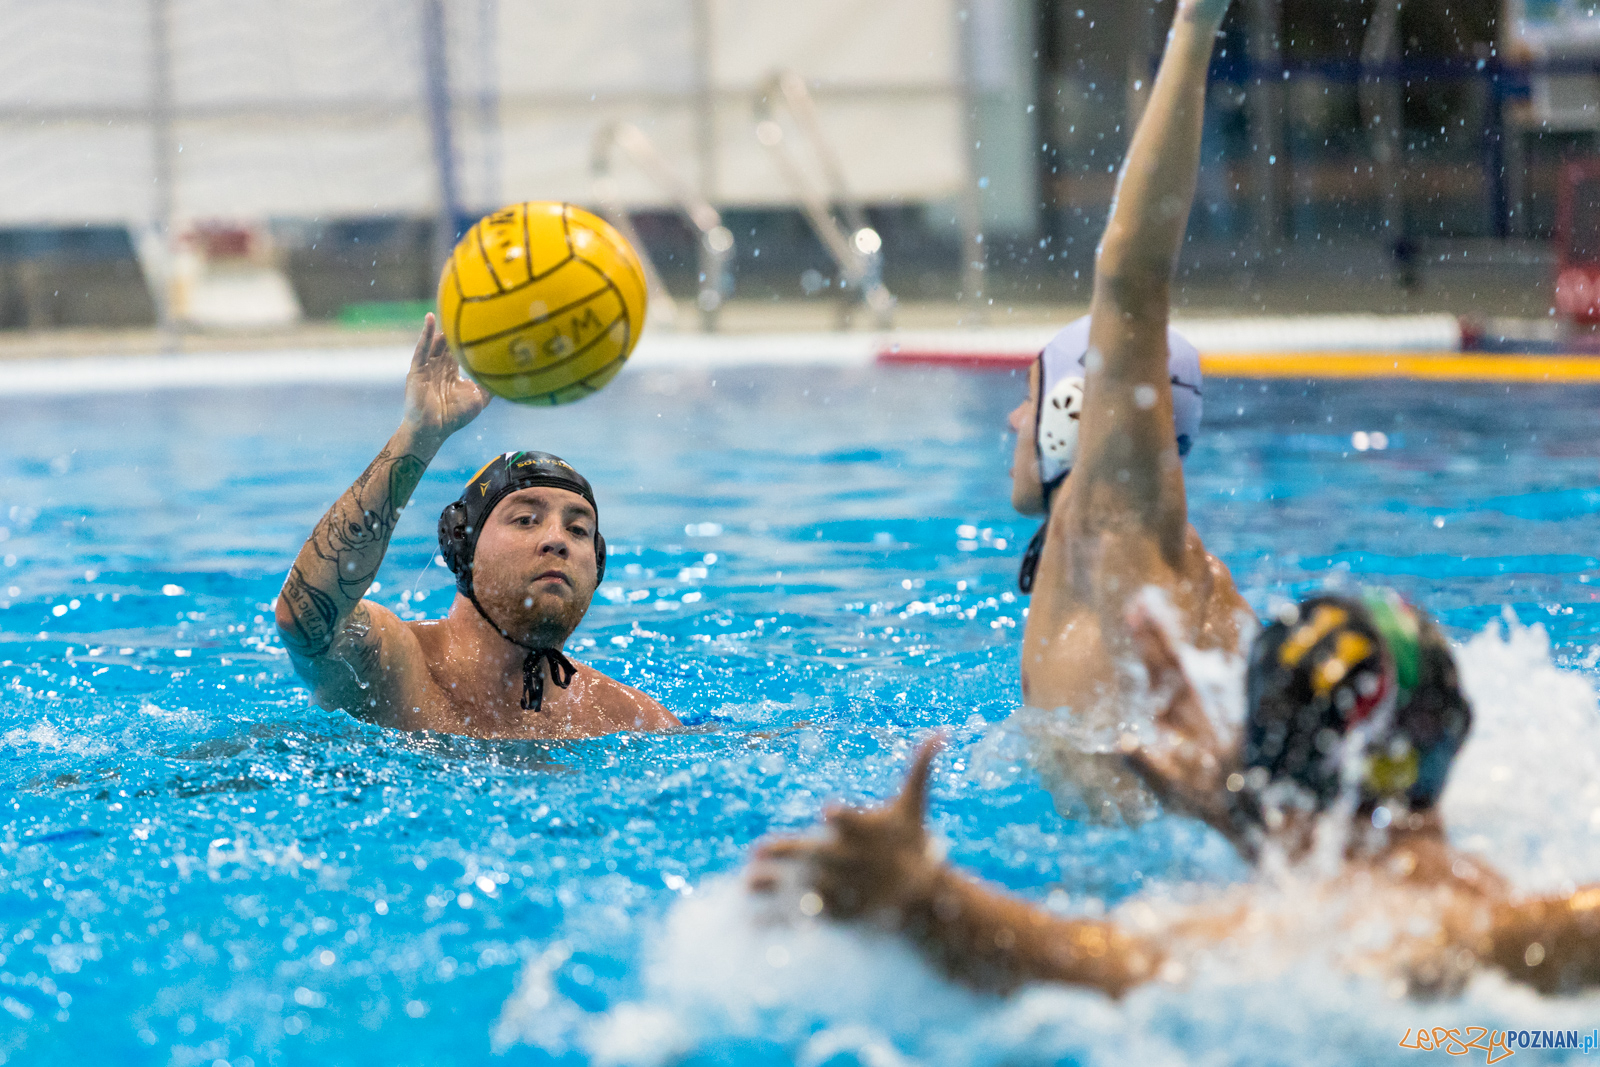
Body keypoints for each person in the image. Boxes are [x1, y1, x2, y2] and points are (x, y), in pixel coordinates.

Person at [748, 590, 1600, 1001]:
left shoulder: (1373, 934)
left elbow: (1102, 967)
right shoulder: (1490, 901)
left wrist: (928, 897)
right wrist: (1243, 807)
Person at [999, 0, 1250, 821]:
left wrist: (1195, 27)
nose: (1013, 421)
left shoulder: (1115, 520)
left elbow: (1132, 272)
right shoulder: (1174, 562)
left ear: (1075, 409)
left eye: (1028, 399)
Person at [274, 314, 679, 739]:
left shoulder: (624, 717)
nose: (557, 540)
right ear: (462, 547)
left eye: (578, 530)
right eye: (526, 519)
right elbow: (303, 616)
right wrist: (419, 436)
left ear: (598, 565)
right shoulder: (396, 669)